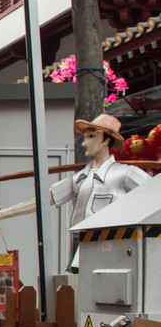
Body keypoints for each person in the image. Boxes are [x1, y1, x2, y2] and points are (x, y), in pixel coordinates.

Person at [50, 113, 149, 270]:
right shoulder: (79, 179)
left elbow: (154, 193)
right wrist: (4, 213)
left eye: (91, 137)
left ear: (106, 140)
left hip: (111, 254)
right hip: (80, 251)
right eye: (85, 137)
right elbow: (45, 200)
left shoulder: (125, 173)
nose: (84, 143)